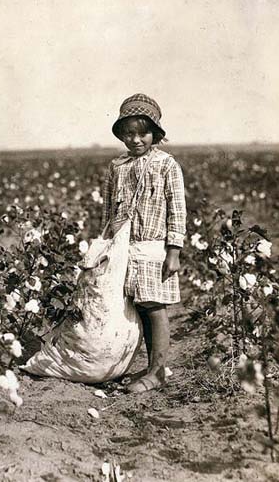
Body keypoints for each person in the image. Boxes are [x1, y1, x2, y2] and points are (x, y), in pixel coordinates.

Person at [100, 94, 186, 392]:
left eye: (143, 133)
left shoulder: (166, 165)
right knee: (139, 306)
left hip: (154, 247)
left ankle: (159, 370)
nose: (136, 140)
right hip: (125, 248)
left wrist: (173, 251)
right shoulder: (117, 167)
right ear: (122, 135)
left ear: (155, 134)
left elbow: (177, 208)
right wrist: (106, 243)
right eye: (129, 134)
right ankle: (152, 368)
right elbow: (108, 210)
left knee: (154, 307)